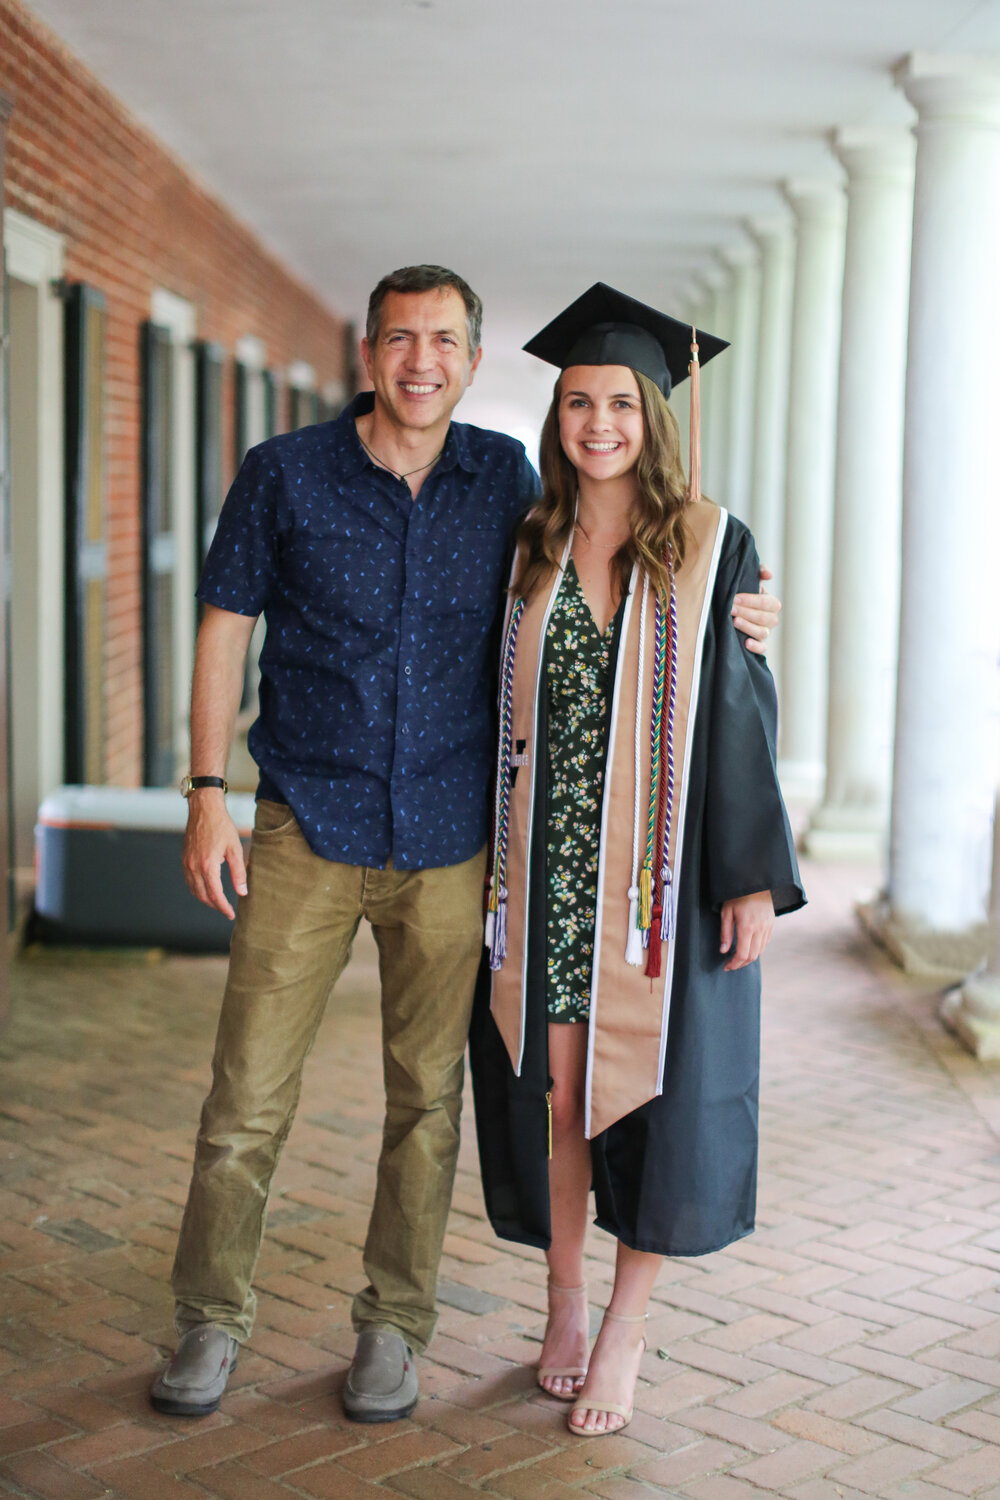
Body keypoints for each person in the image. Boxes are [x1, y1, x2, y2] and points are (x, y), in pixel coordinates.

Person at [149, 266, 783, 1425]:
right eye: (400, 338)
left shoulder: (569, 508)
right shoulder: (325, 481)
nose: (421, 360)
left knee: (430, 1102)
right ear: (368, 353)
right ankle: (212, 1319)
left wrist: (748, 615)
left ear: (473, 362)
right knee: (250, 1094)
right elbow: (224, 624)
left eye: (444, 339)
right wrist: (204, 792)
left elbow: (703, 655)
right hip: (338, 829)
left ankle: (403, 1330)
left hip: (496, 852)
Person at [469, 283, 805, 1437]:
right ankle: (562, 1304)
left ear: (653, 416)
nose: (598, 422)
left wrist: (750, 873)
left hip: (659, 882)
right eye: (577, 402)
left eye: (619, 402)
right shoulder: (532, 540)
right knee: (560, 1094)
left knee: (646, 1104)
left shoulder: (712, 544)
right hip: (549, 869)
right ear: (555, 417)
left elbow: (741, 715)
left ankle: (624, 1328)